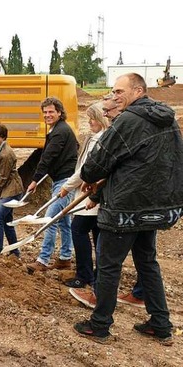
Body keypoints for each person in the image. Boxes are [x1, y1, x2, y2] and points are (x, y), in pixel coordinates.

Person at [74, 73, 182, 346]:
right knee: (147, 263)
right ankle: (160, 324)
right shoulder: (168, 118)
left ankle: (99, 326)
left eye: (119, 91)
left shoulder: (128, 121)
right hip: (155, 207)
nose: (114, 95)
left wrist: (94, 179)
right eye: (113, 91)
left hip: (125, 209)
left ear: (138, 90)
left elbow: (95, 166)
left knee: (109, 266)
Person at [70, 95, 145, 309]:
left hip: (122, 203)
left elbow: (107, 169)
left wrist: (93, 193)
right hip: (138, 201)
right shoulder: (138, 132)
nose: (105, 116)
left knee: (108, 254)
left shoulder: (115, 136)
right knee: (143, 254)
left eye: (107, 112)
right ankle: (143, 298)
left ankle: (100, 304)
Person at [26, 97, 78, 273]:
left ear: (59, 112)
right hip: (62, 179)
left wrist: (34, 181)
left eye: (51, 112)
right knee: (63, 221)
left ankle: (43, 259)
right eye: (45, 112)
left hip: (65, 182)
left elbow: (47, 158)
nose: (47, 115)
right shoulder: (58, 129)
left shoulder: (59, 132)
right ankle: (65, 258)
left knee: (49, 220)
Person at [59, 103, 108, 289]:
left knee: (78, 230)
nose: (90, 122)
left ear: (100, 118)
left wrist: (66, 187)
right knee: (97, 236)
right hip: (95, 197)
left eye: (92, 118)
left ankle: (84, 275)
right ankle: (97, 277)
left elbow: (85, 170)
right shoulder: (102, 138)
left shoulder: (98, 141)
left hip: (90, 196)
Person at [0, 123, 24, 255]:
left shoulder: (5, 154)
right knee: (7, 221)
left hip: (12, 190)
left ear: (3, 137)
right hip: (8, 189)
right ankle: (15, 252)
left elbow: (3, 178)